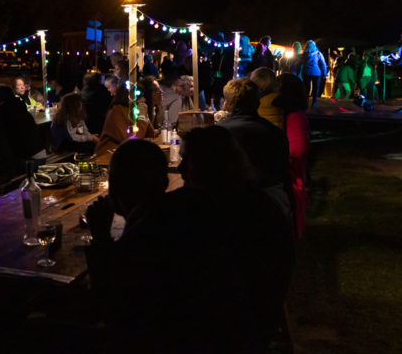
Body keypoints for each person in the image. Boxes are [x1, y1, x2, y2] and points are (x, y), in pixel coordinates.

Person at [85, 135, 293, 351]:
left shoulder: (164, 222)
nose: (181, 169)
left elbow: (114, 308)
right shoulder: (232, 205)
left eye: (188, 161)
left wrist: (101, 238)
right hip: (247, 328)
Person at [220, 78, 291, 216]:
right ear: (257, 103)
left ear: (226, 105)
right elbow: (283, 172)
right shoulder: (275, 133)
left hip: (230, 204)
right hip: (271, 204)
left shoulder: (218, 134)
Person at [275, 73, 311, 239]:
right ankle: (297, 230)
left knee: (295, 192)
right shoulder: (295, 112)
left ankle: (296, 231)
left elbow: (296, 149)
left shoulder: (294, 115)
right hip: (294, 162)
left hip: (292, 163)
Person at [0, 85, 46, 172]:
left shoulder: (3, 114)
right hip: (41, 157)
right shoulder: (20, 108)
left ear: (0, 100)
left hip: (31, 162)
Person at [95, 83, 155, 159]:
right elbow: (131, 142)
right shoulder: (116, 112)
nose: (144, 100)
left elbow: (150, 135)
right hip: (108, 157)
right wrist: (142, 117)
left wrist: (145, 116)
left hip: (126, 155)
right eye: (141, 96)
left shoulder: (134, 111)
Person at [302, 40, 327, 108]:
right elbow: (323, 64)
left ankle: (306, 103)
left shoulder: (304, 54)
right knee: (316, 88)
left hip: (306, 72)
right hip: (316, 73)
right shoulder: (318, 53)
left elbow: (301, 63)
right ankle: (314, 103)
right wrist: (324, 74)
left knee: (306, 89)